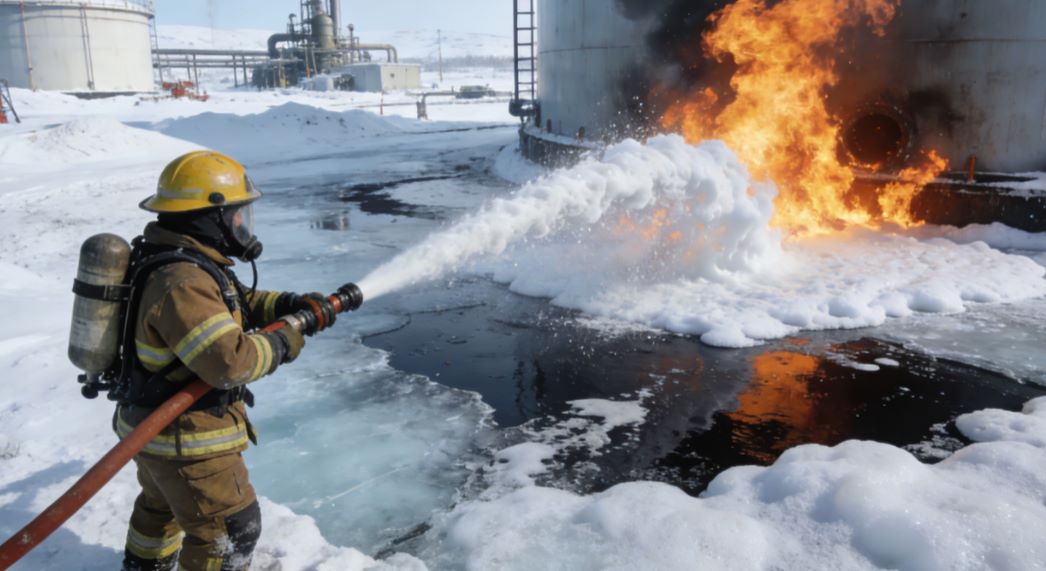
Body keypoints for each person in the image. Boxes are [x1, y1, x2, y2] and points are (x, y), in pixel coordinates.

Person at [118, 150, 337, 571]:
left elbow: (238, 300)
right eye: (238, 215)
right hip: (186, 437)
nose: (243, 225)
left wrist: (289, 304)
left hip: (152, 427)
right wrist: (284, 342)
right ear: (210, 216)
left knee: (161, 508)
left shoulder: (185, 260)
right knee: (229, 529)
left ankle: (145, 566)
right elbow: (230, 362)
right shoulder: (183, 281)